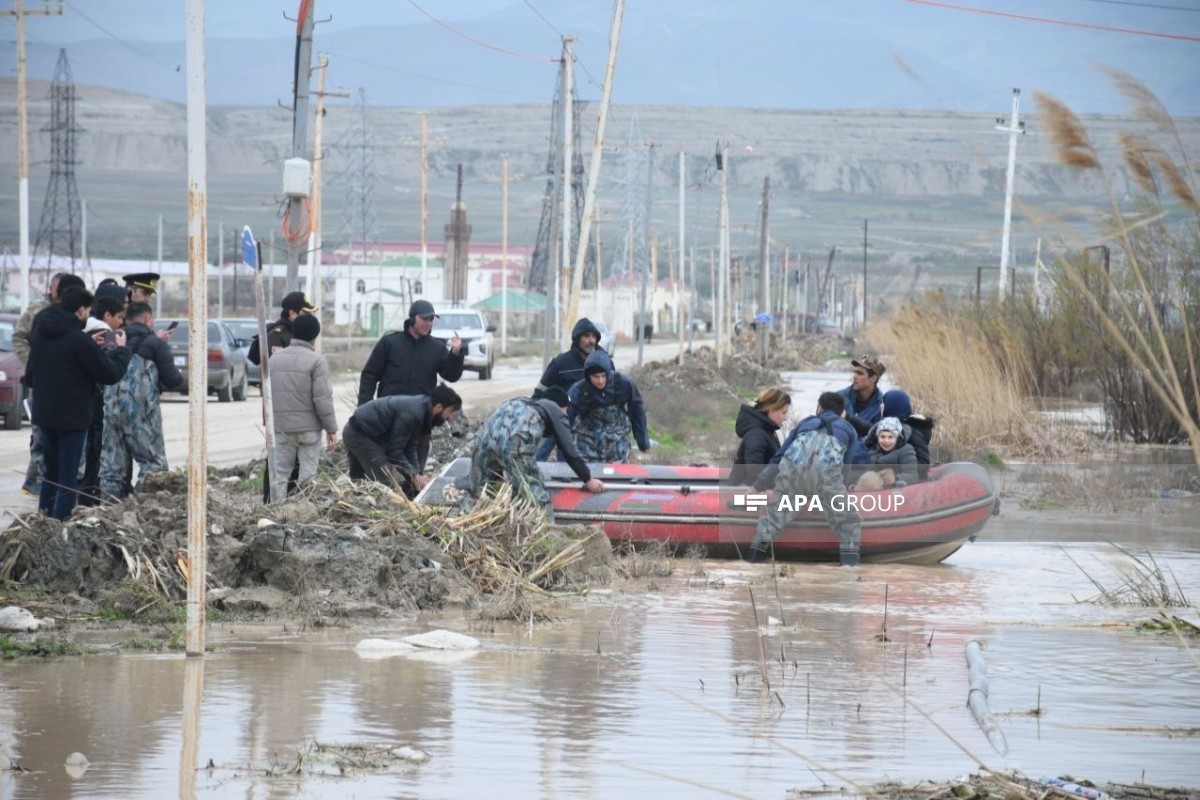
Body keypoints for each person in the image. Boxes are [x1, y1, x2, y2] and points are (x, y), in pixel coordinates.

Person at [28, 286, 131, 520]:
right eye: (87, 311)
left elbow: (31, 376)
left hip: (44, 416)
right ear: (81, 310)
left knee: (51, 473)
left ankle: (44, 521)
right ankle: (61, 526)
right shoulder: (77, 340)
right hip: (72, 419)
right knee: (68, 477)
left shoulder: (42, 334)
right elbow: (109, 373)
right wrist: (121, 352)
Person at [750, 391, 861, 566]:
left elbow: (780, 457)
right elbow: (846, 468)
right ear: (841, 413)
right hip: (826, 477)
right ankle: (848, 571)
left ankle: (752, 563)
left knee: (773, 519)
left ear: (819, 408)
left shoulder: (805, 423)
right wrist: (839, 492)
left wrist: (758, 484)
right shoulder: (848, 429)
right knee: (849, 521)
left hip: (792, 473)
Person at [357, 299, 465, 472]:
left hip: (420, 423)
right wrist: (364, 407)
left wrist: (456, 353)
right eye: (425, 319)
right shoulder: (390, 343)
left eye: (431, 320)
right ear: (412, 319)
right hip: (388, 418)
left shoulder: (436, 348)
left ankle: (413, 496)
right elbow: (369, 375)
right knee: (387, 468)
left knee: (415, 470)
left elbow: (451, 375)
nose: (429, 323)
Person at [99, 301, 185, 501]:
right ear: (148, 319)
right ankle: (145, 508)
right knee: (153, 463)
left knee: (111, 467)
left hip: (112, 411)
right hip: (142, 415)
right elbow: (173, 379)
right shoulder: (155, 344)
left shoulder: (113, 341)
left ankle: (107, 512)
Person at [467, 387, 604, 511]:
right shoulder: (556, 410)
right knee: (534, 495)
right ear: (561, 406)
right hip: (516, 443)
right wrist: (588, 479)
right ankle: (546, 532)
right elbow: (569, 450)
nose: (566, 414)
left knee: (482, 491)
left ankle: (464, 519)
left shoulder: (520, 402)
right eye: (566, 410)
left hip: (484, 438)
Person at [13, 272, 86, 496]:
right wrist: (34, 364)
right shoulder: (38, 311)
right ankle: (37, 483)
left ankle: (51, 485)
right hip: (43, 383)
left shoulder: (77, 315)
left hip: (68, 387)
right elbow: (19, 338)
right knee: (41, 437)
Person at [343, 385, 462, 498]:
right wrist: (413, 477)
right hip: (359, 433)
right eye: (450, 411)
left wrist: (417, 474)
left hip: (371, 434)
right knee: (385, 480)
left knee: (361, 480)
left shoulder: (424, 412)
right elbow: (394, 451)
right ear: (439, 407)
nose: (450, 417)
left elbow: (410, 447)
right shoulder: (413, 414)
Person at [267, 313, 338, 502]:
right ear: (315, 336)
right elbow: (323, 399)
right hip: (309, 430)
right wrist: (331, 429)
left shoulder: (274, 360)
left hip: (282, 428)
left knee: (280, 474)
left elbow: (268, 396)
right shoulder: (316, 361)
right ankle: (303, 513)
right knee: (307, 477)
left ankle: (276, 513)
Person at [78, 289, 128, 505]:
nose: (120, 323)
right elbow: (109, 371)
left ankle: (85, 492)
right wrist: (121, 350)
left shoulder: (82, 331)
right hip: (97, 404)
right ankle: (91, 494)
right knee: (96, 450)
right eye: (118, 317)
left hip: (81, 403)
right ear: (107, 315)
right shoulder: (104, 332)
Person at [534, 317, 606, 460]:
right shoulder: (561, 363)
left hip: (592, 425)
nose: (591, 341)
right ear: (577, 339)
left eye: (594, 337)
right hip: (564, 422)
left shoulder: (604, 362)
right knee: (562, 463)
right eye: (586, 336)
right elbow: (540, 393)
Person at [567, 350, 650, 463]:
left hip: (617, 441)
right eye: (596, 377)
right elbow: (566, 422)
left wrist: (643, 442)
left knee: (620, 476)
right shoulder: (577, 391)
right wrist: (565, 451)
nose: (600, 381)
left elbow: (637, 410)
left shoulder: (623, 384)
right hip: (587, 443)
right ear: (588, 376)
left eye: (603, 376)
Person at [731, 387, 791, 485]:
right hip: (746, 495)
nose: (786, 417)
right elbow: (755, 473)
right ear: (772, 410)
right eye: (783, 413)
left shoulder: (767, 431)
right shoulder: (757, 435)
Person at [247, 290, 317, 366]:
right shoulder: (276, 336)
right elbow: (278, 368)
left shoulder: (299, 334)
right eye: (305, 313)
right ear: (293, 314)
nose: (309, 317)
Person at [851, 417, 919, 491]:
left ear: (897, 437)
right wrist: (857, 483)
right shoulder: (874, 451)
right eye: (882, 437)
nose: (886, 441)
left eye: (890, 437)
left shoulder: (905, 450)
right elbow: (870, 473)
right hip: (878, 487)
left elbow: (913, 475)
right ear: (878, 437)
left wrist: (896, 478)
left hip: (898, 490)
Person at [881, 388, 934, 476]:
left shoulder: (910, 433)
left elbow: (922, 462)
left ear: (892, 406)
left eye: (884, 404)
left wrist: (897, 475)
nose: (881, 407)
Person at [837, 355, 886, 436]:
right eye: (854, 372)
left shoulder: (882, 405)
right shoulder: (838, 398)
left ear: (873, 378)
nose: (854, 376)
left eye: (860, 373)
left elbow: (880, 433)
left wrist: (849, 418)